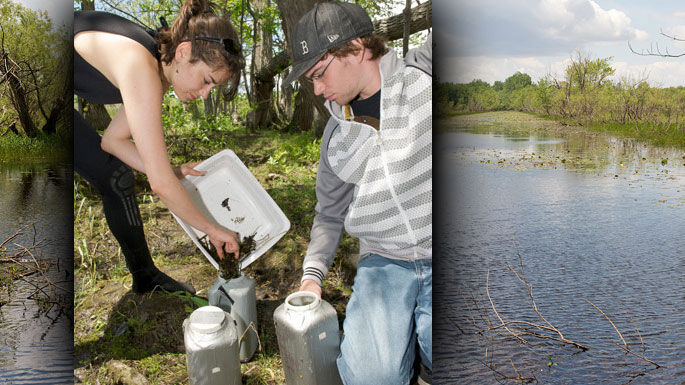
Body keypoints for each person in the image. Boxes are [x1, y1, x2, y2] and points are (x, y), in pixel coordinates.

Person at [283, 2, 432, 384]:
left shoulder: (424, 74)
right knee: (370, 377)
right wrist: (311, 276)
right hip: (383, 264)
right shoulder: (336, 138)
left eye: (319, 74)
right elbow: (329, 215)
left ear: (357, 48)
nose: (317, 90)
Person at [74, 0, 245, 294]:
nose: (205, 94)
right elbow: (161, 185)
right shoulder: (140, 66)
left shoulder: (157, 68)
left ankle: (145, 277)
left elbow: (112, 140)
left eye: (212, 89)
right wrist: (213, 230)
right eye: (206, 81)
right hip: (19, 79)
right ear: (183, 52)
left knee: (115, 176)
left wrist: (172, 170)